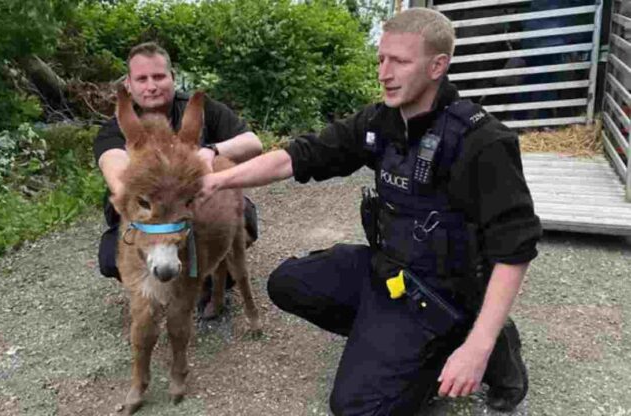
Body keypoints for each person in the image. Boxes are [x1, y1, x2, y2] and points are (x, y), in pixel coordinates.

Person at [198, 8, 541, 415]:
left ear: (437, 66)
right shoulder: (381, 121)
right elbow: (297, 157)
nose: (384, 73)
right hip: (390, 273)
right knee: (288, 283)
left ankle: (487, 342)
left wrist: (478, 349)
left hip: (444, 290)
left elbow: (514, 249)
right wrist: (217, 180)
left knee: (356, 408)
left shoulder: (483, 142)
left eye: (399, 61)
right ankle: (405, 347)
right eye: (381, 59)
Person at [93, 42, 262, 284]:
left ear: (172, 77)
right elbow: (115, 170)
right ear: (129, 84)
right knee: (111, 257)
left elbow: (253, 143)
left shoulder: (203, 108)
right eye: (141, 79)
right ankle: (156, 280)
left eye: (159, 76)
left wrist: (211, 151)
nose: (151, 86)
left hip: (195, 212)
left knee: (243, 216)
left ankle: (210, 275)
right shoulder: (114, 128)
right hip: (149, 218)